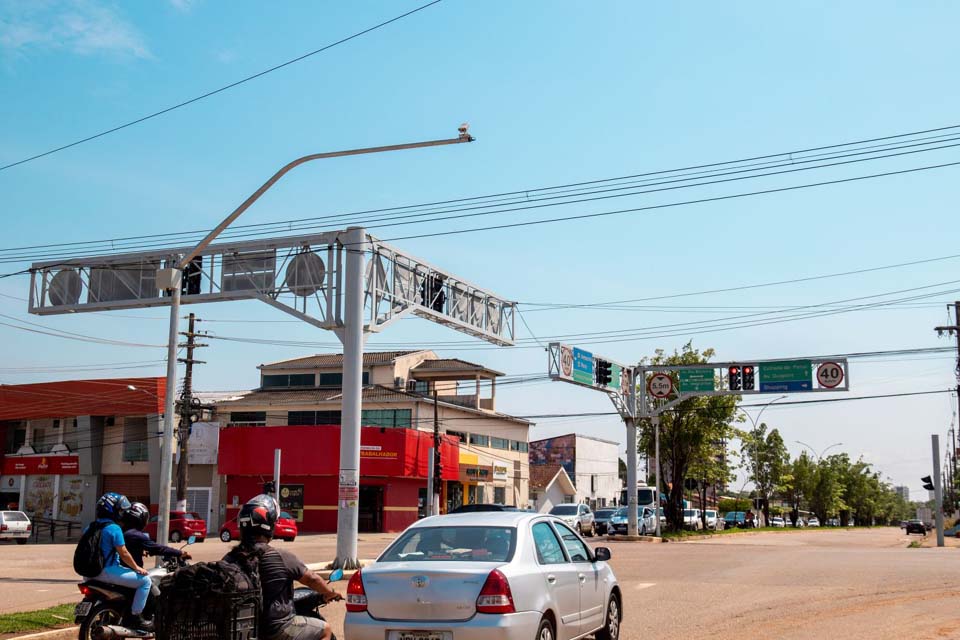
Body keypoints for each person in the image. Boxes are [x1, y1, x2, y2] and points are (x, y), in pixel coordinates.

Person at [226, 494, 341, 640]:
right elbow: (312, 579)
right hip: (278, 628)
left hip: (245, 629)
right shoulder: (280, 556)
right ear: (269, 526)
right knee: (325, 630)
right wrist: (330, 592)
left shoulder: (230, 558)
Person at [84, 492, 154, 632]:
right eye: (120, 509)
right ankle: (136, 617)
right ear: (114, 511)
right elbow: (124, 553)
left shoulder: (90, 527)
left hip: (88, 574)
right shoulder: (114, 528)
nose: (122, 512)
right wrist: (137, 568)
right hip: (108, 572)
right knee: (145, 581)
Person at [120, 502, 192, 569]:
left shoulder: (122, 531)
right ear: (138, 518)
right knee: (148, 581)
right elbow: (158, 548)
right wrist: (179, 553)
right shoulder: (136, 535)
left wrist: (141, 551)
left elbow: (129, 548)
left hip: (120, 569)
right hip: (130, 571)